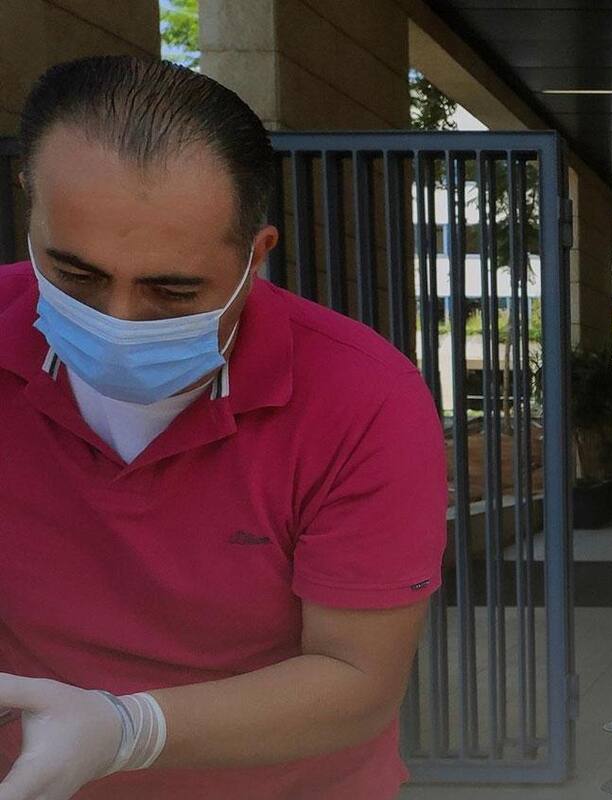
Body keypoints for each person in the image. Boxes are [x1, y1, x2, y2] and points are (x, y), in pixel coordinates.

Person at [0, 56, 446, 800]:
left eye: (172, 289)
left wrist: (127, 730)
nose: (119, 319)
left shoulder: (363, 398)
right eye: (76, 275)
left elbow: (358, 678)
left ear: (255, 256)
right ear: (29, 205)